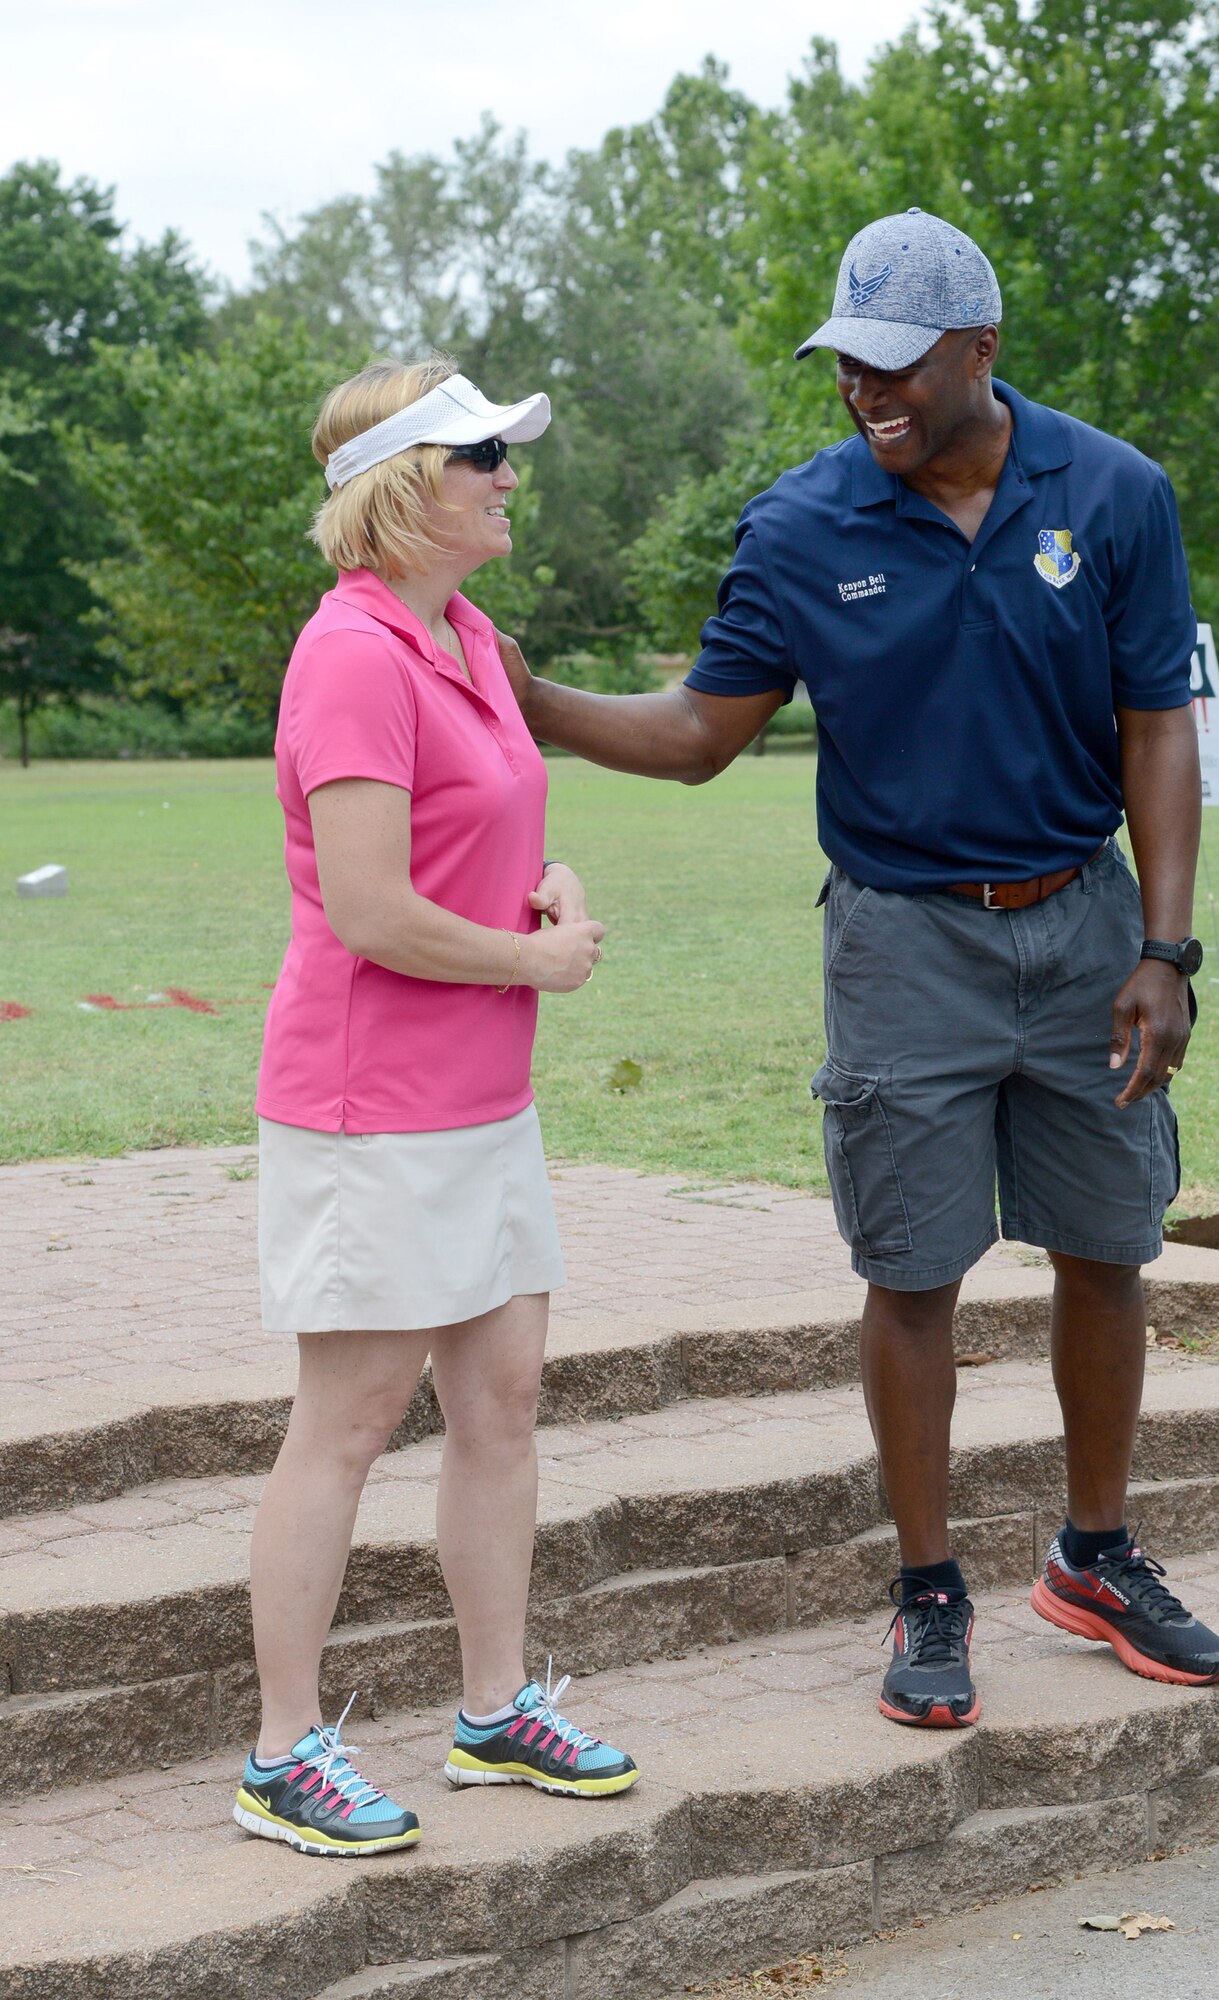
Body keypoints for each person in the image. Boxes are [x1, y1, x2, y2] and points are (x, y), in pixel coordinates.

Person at [494, 211, 1219, 1731]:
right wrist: (538, 698)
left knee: (1107, 1247)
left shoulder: (1111, 494)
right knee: (911, 1271)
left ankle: (1094, 1557)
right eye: (845, 365)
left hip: (1085, 920)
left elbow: (1155, 720)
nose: (863, 393)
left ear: (979, 350)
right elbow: (704, 735)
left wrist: (1162, 947)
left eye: (894, 365)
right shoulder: (799, 524)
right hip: (903, 939)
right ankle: (927, 1591)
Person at [236, 356, 639, 1860]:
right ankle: (281, 1752)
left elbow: (483, 837)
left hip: (483, 1095)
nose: (507, 477)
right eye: (481, 456)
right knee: (342, 1426)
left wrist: (557, 893)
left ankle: (493, 1710)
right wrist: (539, 956)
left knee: (503, 1402)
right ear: (403, 489)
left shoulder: (469, 635)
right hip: (368, 1106)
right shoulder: (348, 654)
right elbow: (367, 914)